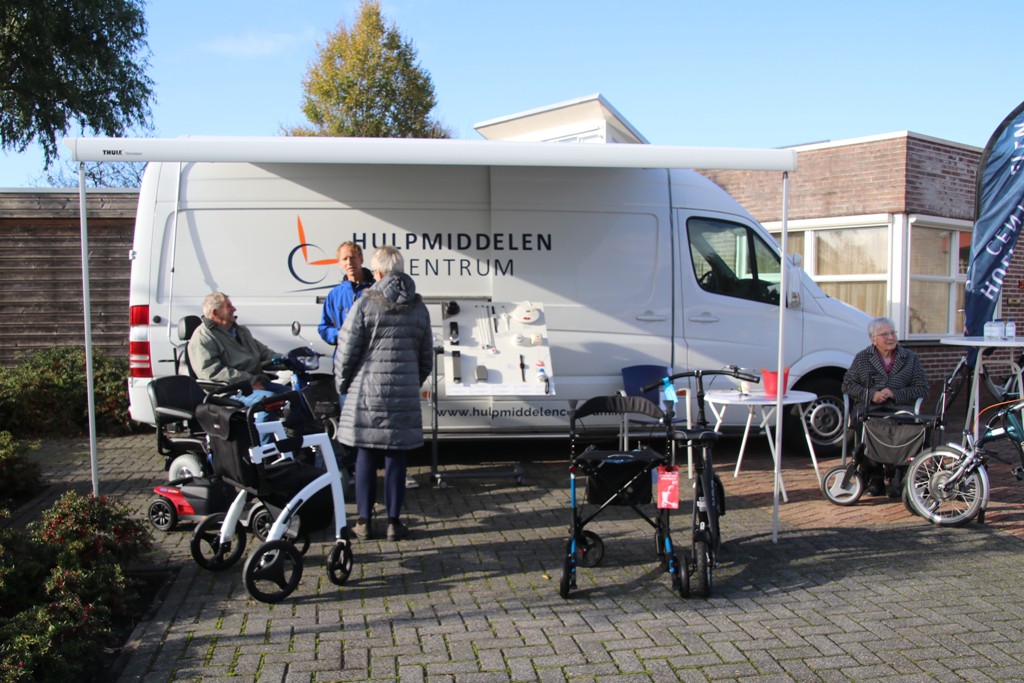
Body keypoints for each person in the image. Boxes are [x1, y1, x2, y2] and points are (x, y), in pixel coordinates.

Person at [334, 245, 433, 541]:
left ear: (377, 272)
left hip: (367, 391)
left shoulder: (365, 302)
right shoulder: (419, 307)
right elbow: (426, 358)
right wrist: (408, 383)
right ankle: (393, 523)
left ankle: (364, 522)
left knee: (365, 453)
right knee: (396, 457)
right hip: (402, 393)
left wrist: (342, 384)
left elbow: (347, 350)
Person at [841, 316, 929, 495]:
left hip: (900, 407)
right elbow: (847, 385)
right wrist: (872, 394)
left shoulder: (910, 358)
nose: (891, 337)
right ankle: (875, 477)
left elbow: (922, 388)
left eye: (893, 333)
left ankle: (898, 475)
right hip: (870, 407)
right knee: (864, 425)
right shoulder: (863, 358)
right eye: (885, 334)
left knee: (903, 428)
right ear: (873, 339)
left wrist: (895, 394)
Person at [188, 292, 289, 431]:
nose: (234, 309)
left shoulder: (241, 331)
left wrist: (287, 360)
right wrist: (250, 381)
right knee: (269, 402)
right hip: (228, 390)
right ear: (215, 313)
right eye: (228, 306)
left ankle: (297, 438)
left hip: (255, 383)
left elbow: (264, 353)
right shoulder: (203, 337)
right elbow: (211, 372)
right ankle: (263, 442)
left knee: (295, 396)